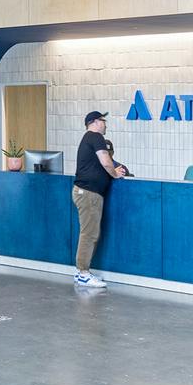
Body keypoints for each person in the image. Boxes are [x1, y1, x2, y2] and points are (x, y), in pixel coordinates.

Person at [73, 111, 131, 289]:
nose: (106, 124)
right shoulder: (95, 136)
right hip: (89, 193)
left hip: (86, 192)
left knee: (89, 232)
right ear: (96, 122)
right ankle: (83, 273)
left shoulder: (88, 138)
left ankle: (82, 272)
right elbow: (106, 162)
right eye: (104, 121)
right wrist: (115, 175)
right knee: (89, 233)